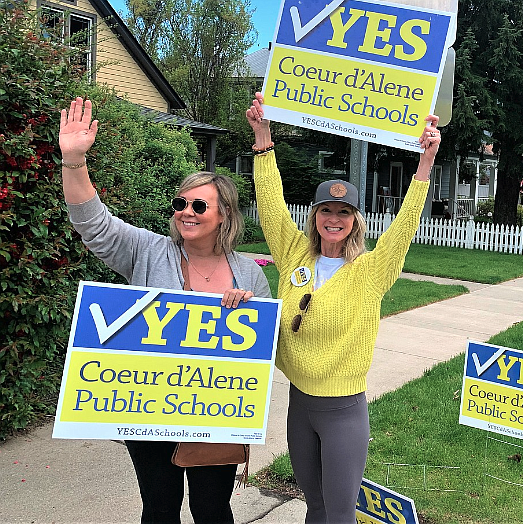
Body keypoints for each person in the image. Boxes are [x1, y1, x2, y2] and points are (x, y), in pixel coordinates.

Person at [59, 96, 271, 524]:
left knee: (212, 509)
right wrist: (74, 162)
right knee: (159, 508)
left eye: (198, 206)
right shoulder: (147, 250)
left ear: (224, 214)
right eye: (180, 204)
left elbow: (267, 346)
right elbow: (93, 223)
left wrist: (250, 311)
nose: (185, 214)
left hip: (215, 413)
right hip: (150, 409)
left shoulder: (248, 274)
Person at [245, 92, 441, 523]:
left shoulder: (370, 271)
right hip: (300, 406)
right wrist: (263, 138)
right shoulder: (295, 254)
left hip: (342, 412)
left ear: (356, 219)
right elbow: (272, 205)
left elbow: (404, 228)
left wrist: (424, 165)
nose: (334, 218)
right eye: (326, 210)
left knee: (339, 514)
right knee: (313, 506)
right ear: (315, 214)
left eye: (344, 212)